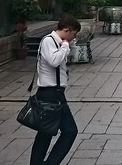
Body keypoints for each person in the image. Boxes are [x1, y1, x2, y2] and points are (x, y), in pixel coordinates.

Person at [29, 16, 81, 165]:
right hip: (50, 93)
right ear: (66, 30)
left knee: (45, 132)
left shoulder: (57, 42)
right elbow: (54, 61)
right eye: (74, 34)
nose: (73, 37)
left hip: (55, 92)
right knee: (70, 131)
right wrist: (65, 46)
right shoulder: (48, 41)